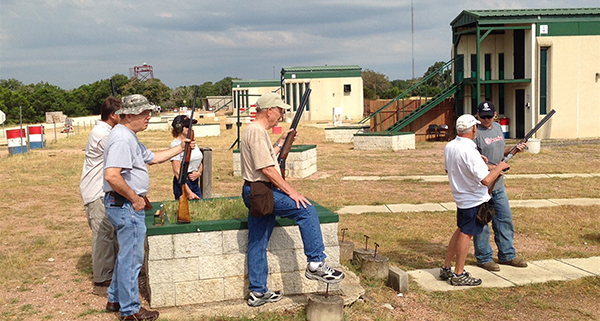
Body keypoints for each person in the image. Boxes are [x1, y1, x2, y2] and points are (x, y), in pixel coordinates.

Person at [240, 92, 344, 307]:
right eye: (280, 110)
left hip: (255, 190)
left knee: (258, 241)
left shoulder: (255, 131)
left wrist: (279, 142)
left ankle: (258, 292)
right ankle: (316, 263)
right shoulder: (257, 132)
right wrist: (292, 192)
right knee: (306, 209)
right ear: (269, 110)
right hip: (262, 191)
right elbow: (267, 168)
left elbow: (267, 158)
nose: (281, 115)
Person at [103, 94, 196, 321]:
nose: (148, 117)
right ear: (130, 115)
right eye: (144, 113)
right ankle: (131, 311)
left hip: (124, 203)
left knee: (126, 255)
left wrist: (181, 148)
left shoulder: (128, 136)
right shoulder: (122, 139)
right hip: (125, 204)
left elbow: (152, 158)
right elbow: (112, 176)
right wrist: (135, 198)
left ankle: (115, 298)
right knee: (132, 259)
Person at [440, 114, 510, 286]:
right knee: (466, 234)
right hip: (473, 199)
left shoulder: (450, 146)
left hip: (461, 197)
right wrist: (499, 167)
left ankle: (447, 267)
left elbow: (450, 170)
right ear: (473, 129)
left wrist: (483, 164)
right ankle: (459, 273)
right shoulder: (469, 150)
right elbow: (486, 180)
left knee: (460, 230)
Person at [473, 101, 528, 271]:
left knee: (504, 219)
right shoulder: (475, 133)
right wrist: (494, 169)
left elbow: (501, 149)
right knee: (482, 222)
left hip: (499, 185)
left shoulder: (497, 128)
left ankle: (507, 255)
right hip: (483, 185)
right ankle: (484, 258)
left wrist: (514, 149)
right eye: (483, 116)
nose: (487, 119)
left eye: (490, 116)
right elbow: (473, 161)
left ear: (495, 115)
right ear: (478, 115)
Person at [79, 96, 121, 287]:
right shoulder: (103, 134)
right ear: (113, 115)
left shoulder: (107, 131)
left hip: (100, 190)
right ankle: (103, 277)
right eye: (122, 114)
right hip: (96, 191)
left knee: (109, 232)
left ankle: (110, 272)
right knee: (102, 234)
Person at [169, 115, 203, 200]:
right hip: (183, 183)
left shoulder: (191, 141)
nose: (190, 128)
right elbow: (177, 172)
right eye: (187, 126)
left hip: (195, 182)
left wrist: (198, 173)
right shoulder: (175, 145)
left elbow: (199, 160)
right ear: (179, 128)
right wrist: (189, 192)